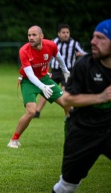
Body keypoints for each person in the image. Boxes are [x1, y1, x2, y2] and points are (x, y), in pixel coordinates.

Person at [52, 19, 111, 193]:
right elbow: (67, 99)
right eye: (93, 37)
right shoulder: (84, 65)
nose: (93, 42)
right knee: (67, 187)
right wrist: (100, 97)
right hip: (83, 131)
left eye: (100, 38)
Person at [7, 25, 70, 148]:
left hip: (45, 79)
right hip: (28, 82)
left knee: (68, 104)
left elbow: (59, 57)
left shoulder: (51, 45)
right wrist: (42, 86)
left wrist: (65, 70)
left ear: (41, 36)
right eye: (29, 35)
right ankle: (13, 140)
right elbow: (30, 75)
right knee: (31, 111)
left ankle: (70, 137)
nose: (31, 37)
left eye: (34, 35)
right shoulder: (24, 50)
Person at [34, 24, 87, 118]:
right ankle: (37, 112)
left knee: (63, 92)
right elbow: (46, 56)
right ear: (58, 33)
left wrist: (81, 54)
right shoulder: (53, 42)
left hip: (67, 72)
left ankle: (68, 114)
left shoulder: (74, 43)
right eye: (63, 32)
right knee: (46, 90)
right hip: (54, 71)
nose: (66, 34)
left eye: (67, 32)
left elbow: (85, 54)